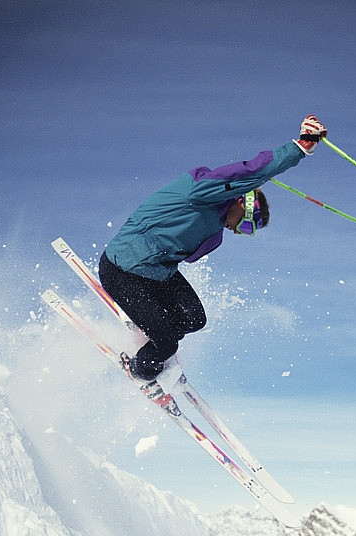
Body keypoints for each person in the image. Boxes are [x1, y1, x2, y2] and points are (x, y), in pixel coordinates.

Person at [98, 115, 328, 382]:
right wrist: (301, 146)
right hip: (122, 267)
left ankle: (150, 335)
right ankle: (138, 369)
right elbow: (255, 171)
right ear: (242, 203)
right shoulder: (204, 192)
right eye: (245, 226)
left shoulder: (215, 230)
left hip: (153, 272)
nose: (238, 232)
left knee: (193, 319)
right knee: (167, 343)